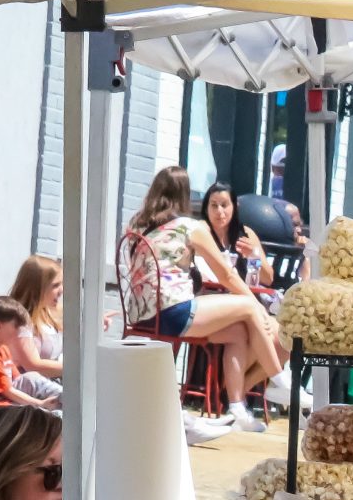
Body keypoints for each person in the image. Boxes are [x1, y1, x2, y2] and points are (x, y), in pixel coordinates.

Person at [120, 165, 284, 430]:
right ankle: (280, 381)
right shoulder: (190, 227)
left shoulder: (144, 227)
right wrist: (259, 310)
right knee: (247, 306)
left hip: (143, 316)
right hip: (173, 312)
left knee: (238, 333)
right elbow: (227, 277)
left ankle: (237, 409)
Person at [200, 182, 278, 307]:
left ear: (235, 207)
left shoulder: (246, 233)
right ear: (206, 208)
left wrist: (253, 256)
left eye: (224, 205)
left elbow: (268, 279)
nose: (219, 211)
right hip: (210, 298)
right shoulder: (201, 231)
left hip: (244, 300)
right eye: (214, 206)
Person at [7, 255, 66, 404]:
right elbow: (33, 365)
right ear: (38, 287)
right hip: (22, 390)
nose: (61, 290)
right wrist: (75, 368)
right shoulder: (18, 321)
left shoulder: (51, 314)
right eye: (55, 285)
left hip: (47, 387)